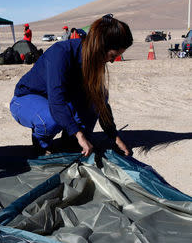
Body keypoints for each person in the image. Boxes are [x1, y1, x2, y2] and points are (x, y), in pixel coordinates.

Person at [10, 14, 133, 157]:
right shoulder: (61, 53)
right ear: (100, 46)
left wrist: (115, 137)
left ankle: (71, 142)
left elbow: (101, 102)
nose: (111, 62)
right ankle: (41, 143)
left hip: (56, 101)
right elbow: (57, 102)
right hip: (26, 100)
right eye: (112, 56)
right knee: (51, 119)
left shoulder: (95, 61)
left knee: (97, 97)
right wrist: (80, 135)